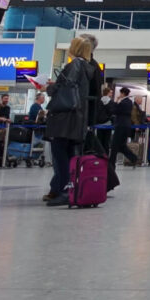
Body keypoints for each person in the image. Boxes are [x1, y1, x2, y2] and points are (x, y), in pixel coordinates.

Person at [42, 36, 93, 206]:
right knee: (71, 155)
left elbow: (66, 89)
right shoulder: (86, 67)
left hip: (65, 118)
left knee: (60, 154)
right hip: (77, 118)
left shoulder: (74, 65)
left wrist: (49, 88)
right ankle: (68, 188)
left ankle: (63, 189)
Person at [110, 88, 139, 168]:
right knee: (122, 145)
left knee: (114, 145)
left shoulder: (123, 102)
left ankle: (111, 163)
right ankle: (133, 158)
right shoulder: (130, 102)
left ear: (122, 93)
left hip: (120, 125)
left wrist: (116, 101)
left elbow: (114, 110)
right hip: (127, 125)